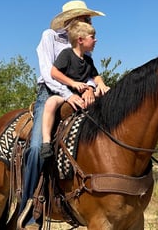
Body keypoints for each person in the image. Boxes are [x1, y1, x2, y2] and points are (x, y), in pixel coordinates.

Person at [17, 0, 105, 229]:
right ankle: (27, 207)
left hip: (78, 93)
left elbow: (88, 75)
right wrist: (68, 94)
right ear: (73, 20)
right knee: (37, 146)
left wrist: (90, 90)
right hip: (51, 94)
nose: (89, 21)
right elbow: (48, 73)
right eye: (86, 18)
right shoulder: (49, 36)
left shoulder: (82, 46)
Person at [40, 21, 110, 159]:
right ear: (80, 40)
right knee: (50, 103)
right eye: (92, 37)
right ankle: (46, 142)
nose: (95, 40)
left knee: (106, 95)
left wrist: (101, 84)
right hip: (65, 92)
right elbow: (54, 72)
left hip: (81, 93)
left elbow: (95, 76)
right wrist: (72, 83)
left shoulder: (88, 60)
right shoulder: (67, 54)